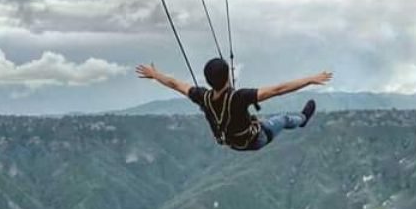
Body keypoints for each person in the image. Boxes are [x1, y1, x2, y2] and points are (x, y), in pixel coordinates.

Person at [135, 57, 333, 151]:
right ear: (228, 76)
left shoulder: (201, 95)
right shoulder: (239, 97)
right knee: (283, 119)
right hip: (256, 140)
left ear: (207, 80)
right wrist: (310, 79)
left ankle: (288, 120)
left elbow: (175, 84)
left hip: (232, 143)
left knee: (260, 121)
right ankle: (304, 119)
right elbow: (278, 90)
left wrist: (154, 75)